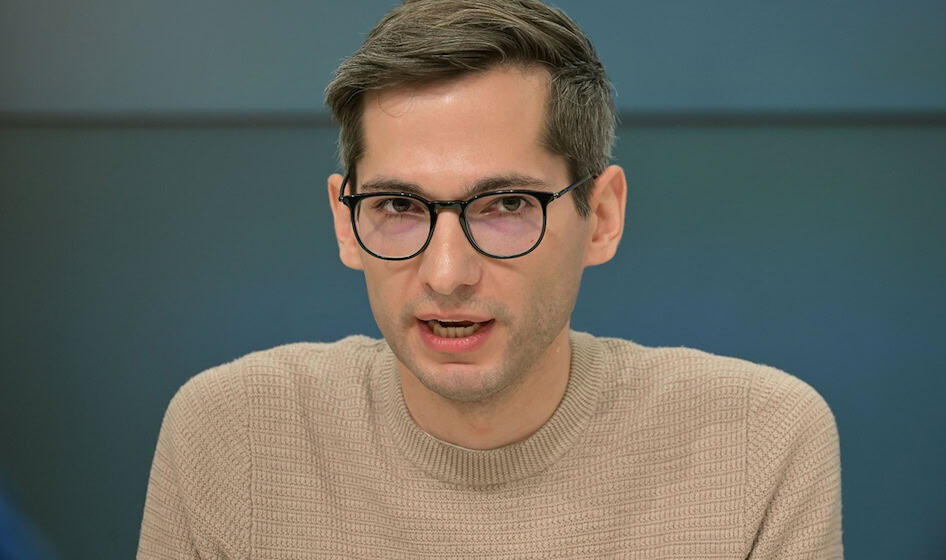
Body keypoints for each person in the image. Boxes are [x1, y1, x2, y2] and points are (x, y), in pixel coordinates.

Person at [137, 1, 843, 558]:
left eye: (507, 206)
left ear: (600, 216)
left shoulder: (757, 440)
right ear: (346, 222)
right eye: (399, 206)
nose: (446, 275)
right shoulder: (233, 435)